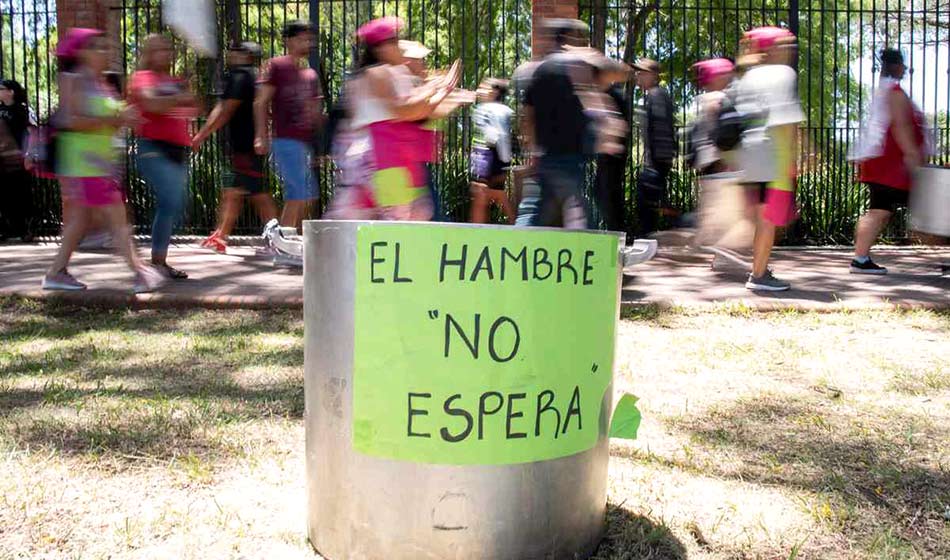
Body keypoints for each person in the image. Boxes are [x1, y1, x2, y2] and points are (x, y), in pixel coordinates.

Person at [41, 28, 162, 293]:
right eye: (97, 46)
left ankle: (56, 273)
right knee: (116, 217)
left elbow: (113, 120)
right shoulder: (72, 79)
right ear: (81, 52)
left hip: (101, 164)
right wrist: (116, 119)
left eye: (106, 46)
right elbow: (71, 121)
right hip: (85, 162)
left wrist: (127, 117)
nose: (105, 51)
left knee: (80, 221)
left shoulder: (102, 82)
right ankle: (140, 273)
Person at [345, 16, 459, 220]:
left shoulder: (394, 73)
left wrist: (443, 90)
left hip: (398, 155)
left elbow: (418, 113)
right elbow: (404, 111)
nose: (399, 47)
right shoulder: (376, 73)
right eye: (394, 42)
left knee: (414, 215)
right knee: (397, 220)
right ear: (379, 48)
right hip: (379, 155)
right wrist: (436, 87)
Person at [731, 27, 804, 291]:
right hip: (772, 154)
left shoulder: (746, 76)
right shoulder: (783, 73)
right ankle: (758, 275)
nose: (789, 50)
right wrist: (796, 157)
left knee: (762, 217)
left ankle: (759, 268)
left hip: (748, 156)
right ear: (771, 48)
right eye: (785, 45)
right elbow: (787, 120)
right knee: (768, 220)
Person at [194, 42, 278, 254]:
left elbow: (224, 110)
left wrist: (201, 135)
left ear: (244, 55)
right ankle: (222, 235)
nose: (230, 54)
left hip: (245, 146)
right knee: (234, 192)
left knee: (257, 194)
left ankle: (280, 236)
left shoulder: (240, 76)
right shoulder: (254, 77)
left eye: (234, 51)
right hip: (246, 145)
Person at [849, 49, 928, 275]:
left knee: (879, 210)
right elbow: (901, 126)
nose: (905, 69)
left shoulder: (883, 92)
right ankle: (860, 259)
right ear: (896, 67)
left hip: (880, 161)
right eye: (903, 65)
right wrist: (913, 155)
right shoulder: (894, 92)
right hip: (892, 165)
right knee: (928, 208)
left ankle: (860, 259)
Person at [129, 34, 198, 280]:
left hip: (177, 150)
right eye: (158, 50)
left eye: (167, 49)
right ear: (148, 53)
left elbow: (193, 107)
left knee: (174, 204)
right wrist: (178, 98)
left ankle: (159, 261)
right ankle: (155, 261)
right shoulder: (142, 77)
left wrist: (178, 98)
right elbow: (151, 104)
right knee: (170, 200)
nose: (165, 54)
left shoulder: (174, 80)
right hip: (153, 148)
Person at [520, 19, 593, 229]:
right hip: (572, 153)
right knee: (576, 212)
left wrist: (533, 150)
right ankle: (586, 252)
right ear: (569, 38)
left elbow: (528, 115)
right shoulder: (576, 67)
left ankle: (522, 243)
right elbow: (589, 103)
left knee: (540, 211)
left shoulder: (540, 70)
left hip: (547, 154)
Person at [254, 20, 323, 232]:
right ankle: (284, 244)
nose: (307, 43)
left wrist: (321, 146)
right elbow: (260, 101)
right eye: (301, 38)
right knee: (298, 194)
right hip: (285, 140)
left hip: (304, 144)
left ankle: (295, 242)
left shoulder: (310, 75)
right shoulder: (277, 65)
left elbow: (315, 114)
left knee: (308, 195)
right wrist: (260, 135)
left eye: (309, 39)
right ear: (288, 41)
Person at [632, 58, 677, 236]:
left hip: (657, 161)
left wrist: (655, 164)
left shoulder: (656, 96)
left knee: (647, 205)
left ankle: (647, 238)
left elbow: (661, 131)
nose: (638, 77)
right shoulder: (656, 95)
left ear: (653, 75)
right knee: (651, 204)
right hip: (658, 161)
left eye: (641, 73)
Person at [591, 61, 632, 233]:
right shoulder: (609, 94)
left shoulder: (612, 95)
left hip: (612, 156)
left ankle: (618, 234)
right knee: (603, 194)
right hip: (608, 155)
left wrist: (608, 142)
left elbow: (620, 126)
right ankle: (616, 232)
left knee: (607, 196)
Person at [470, 78, 515, 224]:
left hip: (487, 155)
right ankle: (516, 226)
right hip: (496, 156)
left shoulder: (484, 109)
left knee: (482, 195)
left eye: (484, 87)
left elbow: (494, 135)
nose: (480, 90)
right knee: (495, 194)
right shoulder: (505, 110)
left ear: (494, 92)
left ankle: (478, 231)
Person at [0, 78, 36, 241]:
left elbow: (32, 133)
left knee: (21, 193)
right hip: (2, 160)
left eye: (1, 88)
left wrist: (29, 154)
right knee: (5, 195)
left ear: (10, 92)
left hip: (18, 158)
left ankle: (25, 229)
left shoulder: (22, 110)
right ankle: (7, 229)